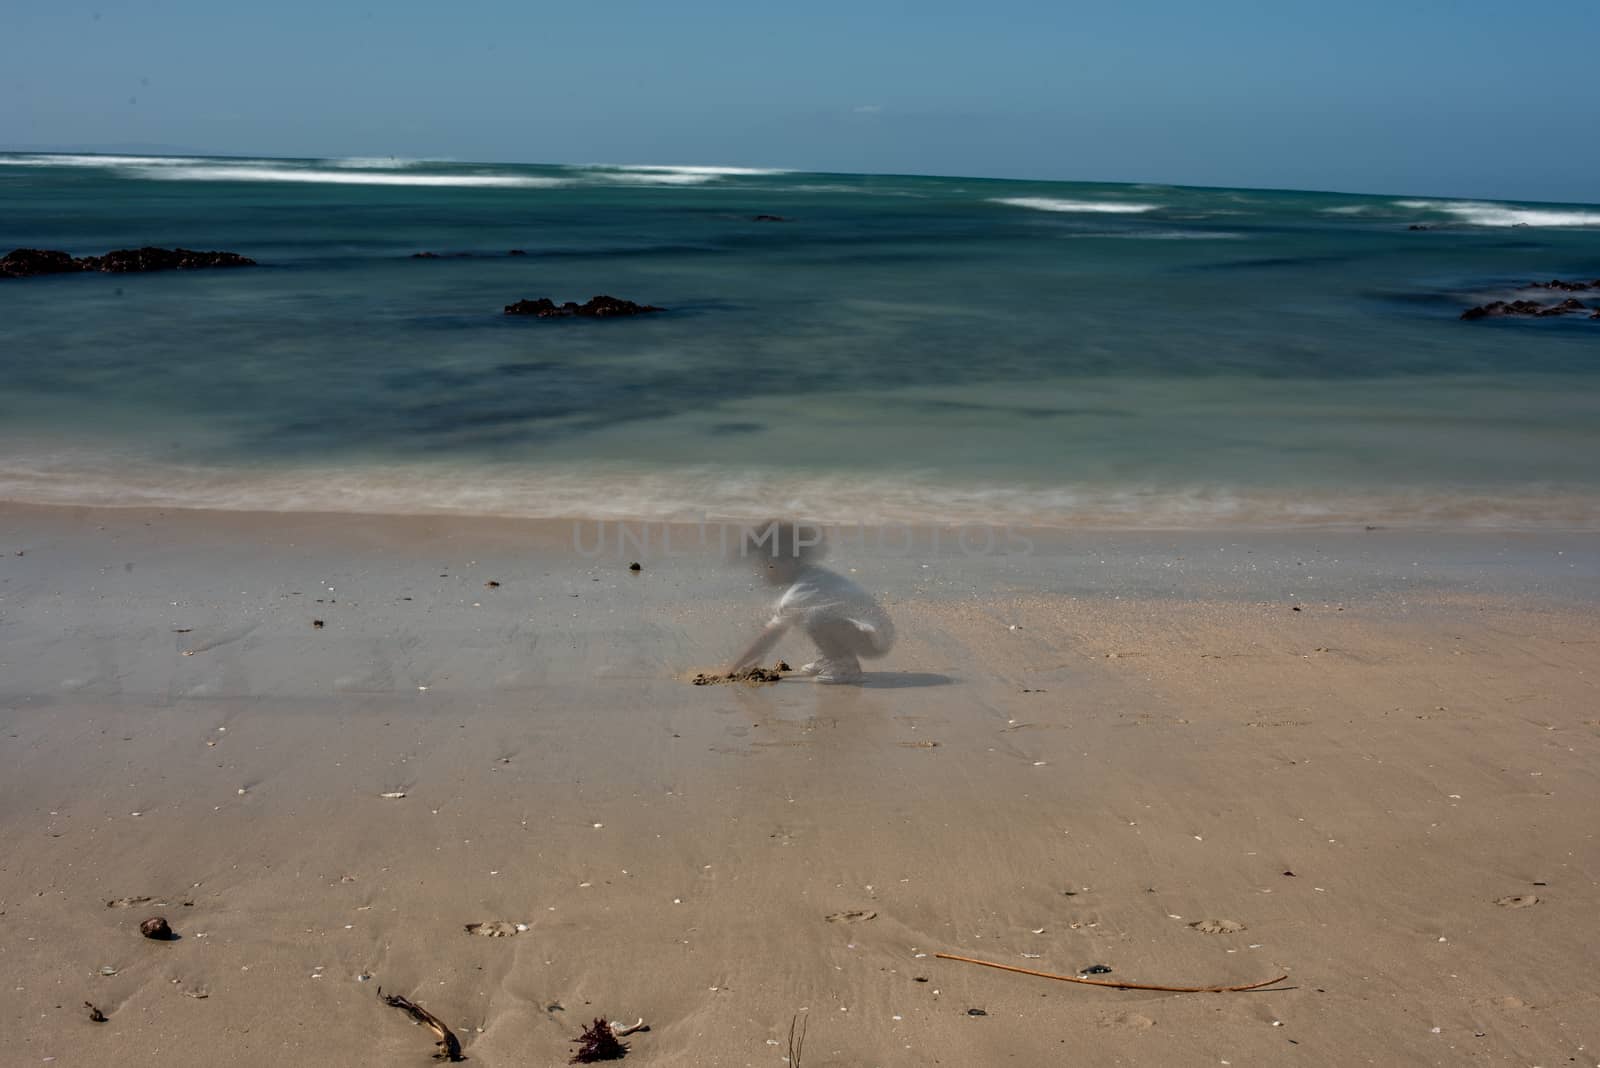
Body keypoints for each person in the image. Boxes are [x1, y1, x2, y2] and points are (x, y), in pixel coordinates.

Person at [728, 520, 894, 684]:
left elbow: (770, 635)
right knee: (814, 614)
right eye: (762, 567)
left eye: (770, 566)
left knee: (816, 618)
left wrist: (733, 670)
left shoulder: (801, 592)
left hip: (873, 640)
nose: (765, 573)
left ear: (789, 563)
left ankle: (845, 667)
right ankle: (831, 658)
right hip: (870, 631)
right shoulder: (813, 577)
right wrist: (758, 656)